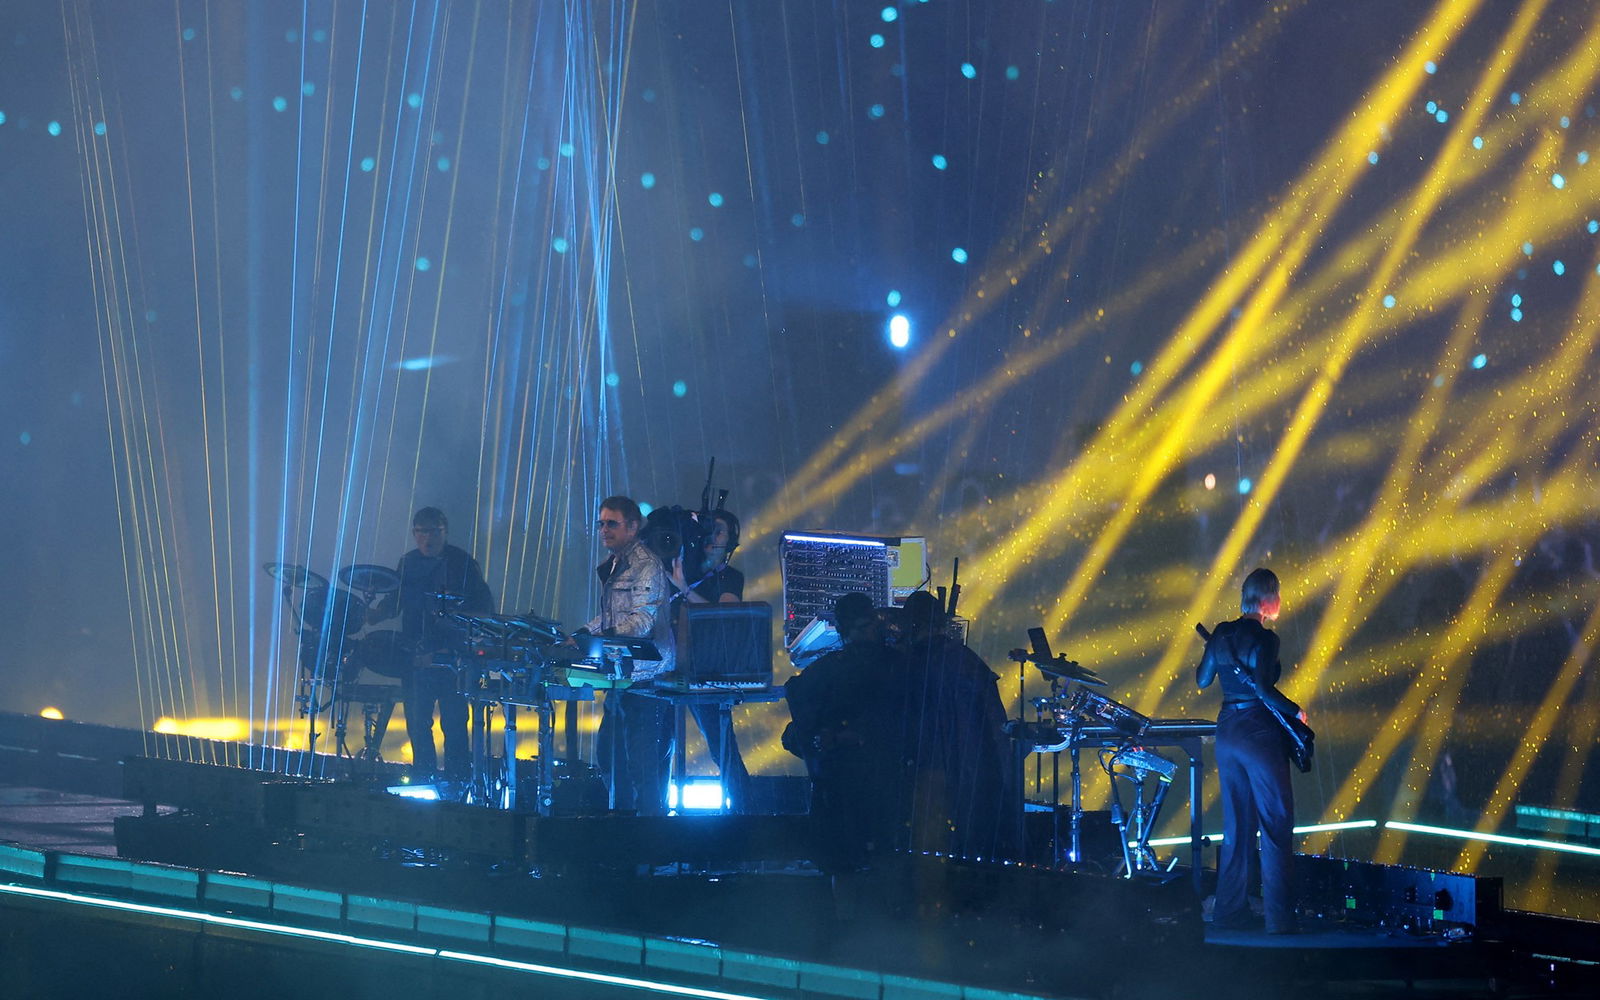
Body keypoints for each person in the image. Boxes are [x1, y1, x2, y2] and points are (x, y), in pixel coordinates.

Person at [1196, 567, 1299, 934]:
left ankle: (1228, 912)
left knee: (1236, 826)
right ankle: (1279, 919)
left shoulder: (1222, 632)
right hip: (1258, 732)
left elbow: (1202, 679)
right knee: (1275, 822)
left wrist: (1217, 653)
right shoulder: (1266, 639)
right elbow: (1263, 691)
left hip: (1227, 732)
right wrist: (1297, 711)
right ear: (1270, 598)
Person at [370, 506, 494, 784]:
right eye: (422, 531)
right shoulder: (408, 563)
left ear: (445, 532)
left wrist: (453, 645)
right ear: (414, 534)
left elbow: (484, 610)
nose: (428, 538)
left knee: (454, 724)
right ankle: (423, 777)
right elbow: (395, 601)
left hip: (453, 661)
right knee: (417, 722)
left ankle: (458, 781)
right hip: (415, 659)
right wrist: (374, 612)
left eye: (434, 531)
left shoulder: (463, 563)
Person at [782, 592, 904, 872]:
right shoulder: (833, 669)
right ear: (846, 630)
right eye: (865, 627)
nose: (873, 632)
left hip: (880, 778)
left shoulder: (891, 665)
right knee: (844, 859)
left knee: (870, 859)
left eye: (873, 625)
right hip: (846, 780)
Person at [898, 590, 1018, 860]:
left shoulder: (908, 665)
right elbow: (996, 727)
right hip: (973, 783)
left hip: (927, 779)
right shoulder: (967, 661)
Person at [588, 495, 677, 815]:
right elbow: (612, 618)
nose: (604, 529)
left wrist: (598, 639)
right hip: (621, 676)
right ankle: (623, 833)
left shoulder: (647, 566)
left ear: (633, 526)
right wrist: (581, 635)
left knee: (642, 769)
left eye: (612, 523)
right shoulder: (614, 564)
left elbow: (642, 623)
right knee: (610, 759)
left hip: (646, 679)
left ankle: (649, 845)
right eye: (601, 523)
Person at [667, 509, 751, 806]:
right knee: (663, 747)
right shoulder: (685, 571)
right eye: (709, 531)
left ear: (731, 541)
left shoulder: (730, 578)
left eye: (720, 532)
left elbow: (724, 615)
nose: (712, 538)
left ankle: (743, 808)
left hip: (708, 673)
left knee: (721, 748)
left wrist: (683, 589)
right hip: (673, 670)